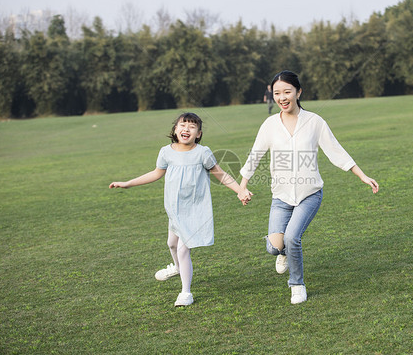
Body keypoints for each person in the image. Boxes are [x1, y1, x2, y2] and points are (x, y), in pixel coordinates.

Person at [239, 70, 379, 304]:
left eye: (287, 92)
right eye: (277, 93)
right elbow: (255, 155)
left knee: (293, 237)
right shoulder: (270, 125)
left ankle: (297, 285)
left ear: (298, 92)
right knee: (275, 247)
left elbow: (335, 150)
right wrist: (242, 186)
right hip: (281, 197)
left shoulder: (314, 122)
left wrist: (362, 175)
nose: (282, 97)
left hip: (309, 194)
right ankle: (281, 252)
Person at [109, 112, 252, 307]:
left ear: (198, 134)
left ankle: (186, 292)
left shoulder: (203, 153)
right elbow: (156, 173)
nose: (186, 129)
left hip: (196, 209)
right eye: (182, 125)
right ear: (175, 130)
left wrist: (240, 190)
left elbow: (220, 174)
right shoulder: (166, 152)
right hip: (175, 209)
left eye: (192, 127)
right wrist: (128, 183)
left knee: (184, 249)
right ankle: (177, 267)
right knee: (172, 244)